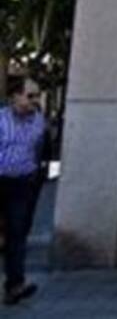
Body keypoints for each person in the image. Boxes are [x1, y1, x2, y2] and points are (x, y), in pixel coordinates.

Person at [0, 77, 46, 305]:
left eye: (37, 96)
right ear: (15, 96)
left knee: (17, 233)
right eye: (30, 96)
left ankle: (15, 284)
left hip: (22, 183)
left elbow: (40, 149)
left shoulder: (38, 121)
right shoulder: (1, 120)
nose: (34, 101)